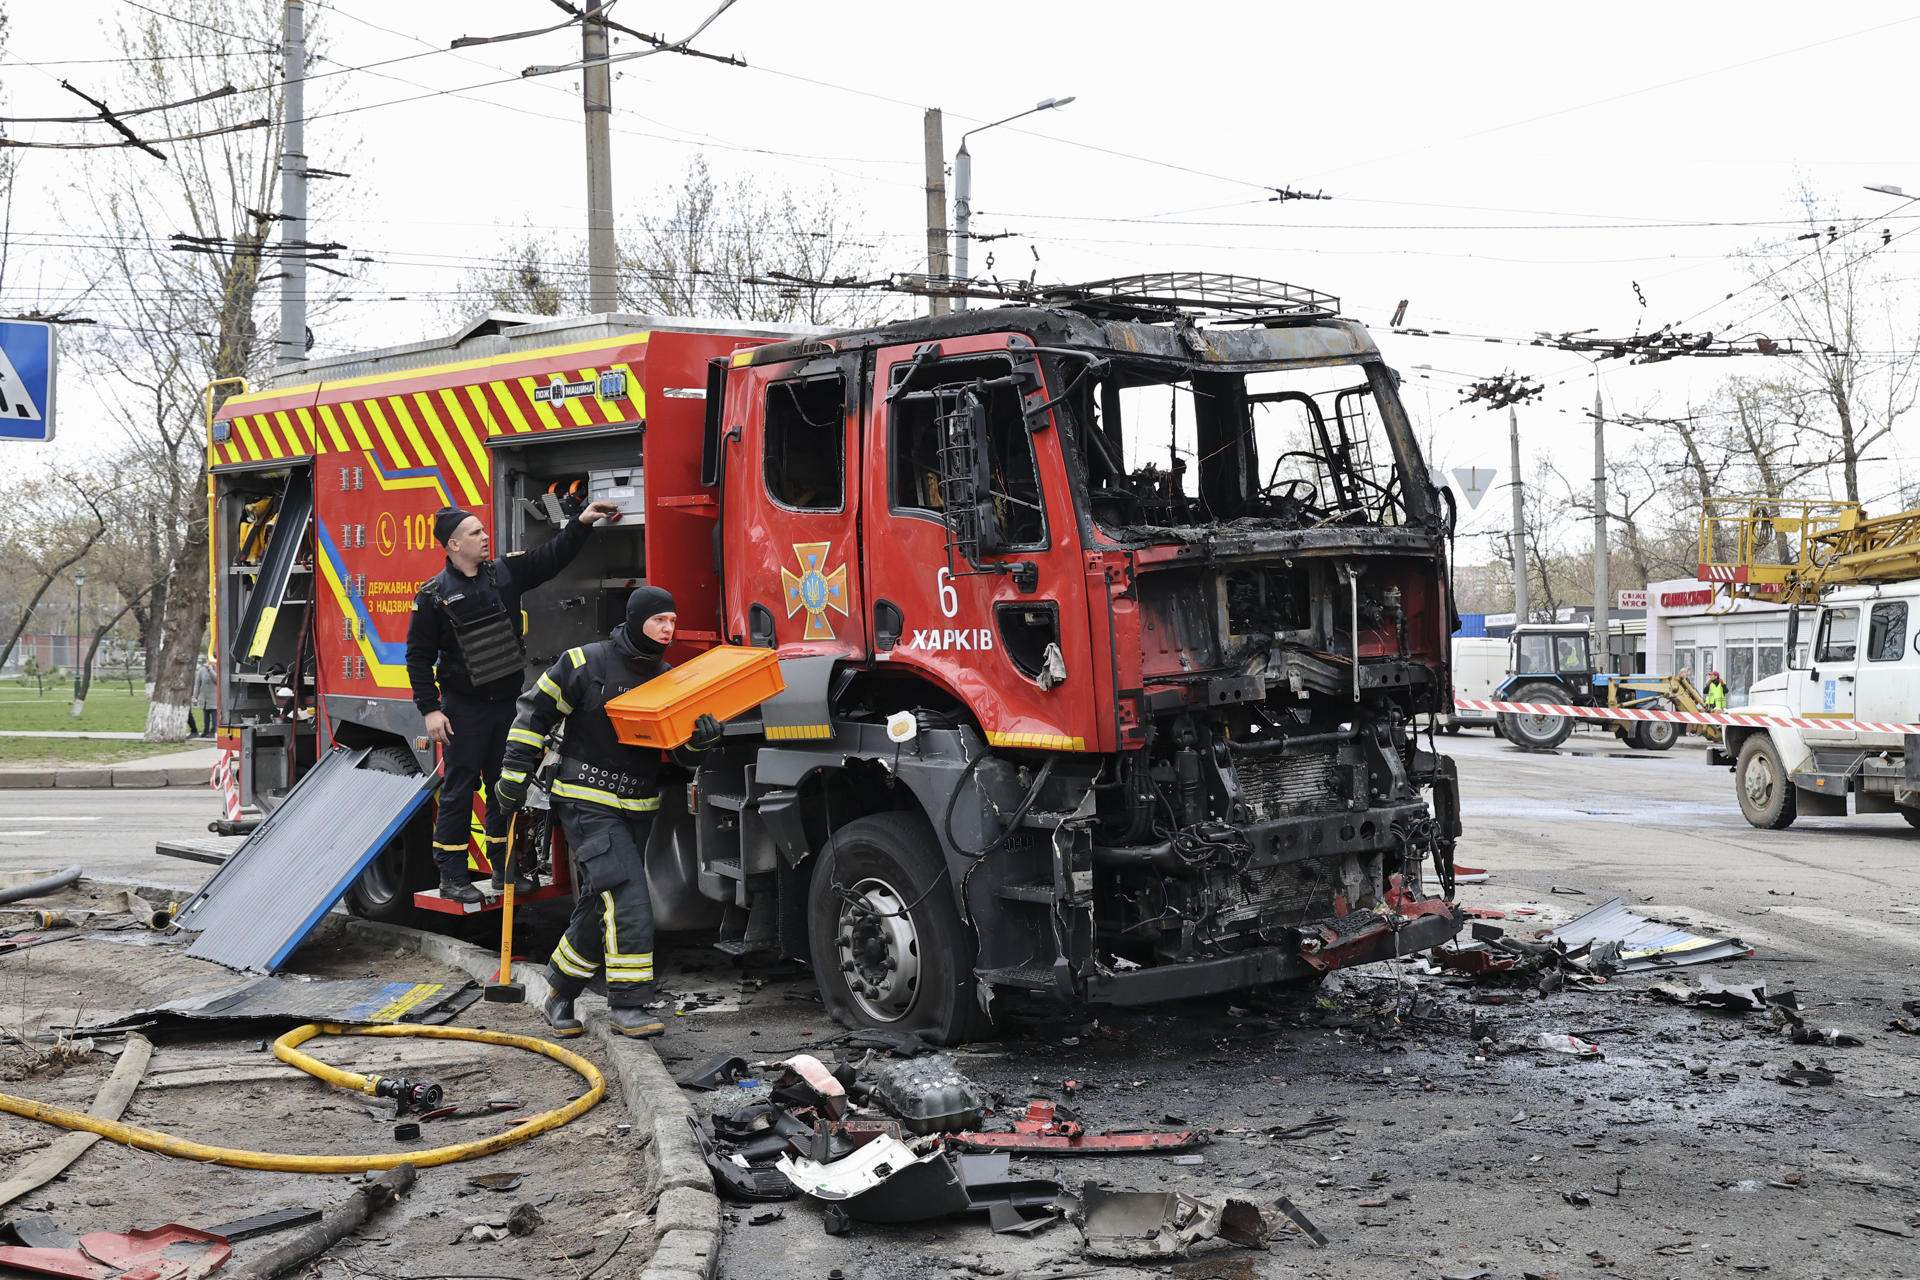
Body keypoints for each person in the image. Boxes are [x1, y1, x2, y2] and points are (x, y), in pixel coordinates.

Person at [494, 585, 722, 1038]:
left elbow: (679, 755)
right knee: (627, 897)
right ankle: (629, 1003)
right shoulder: (584, 663)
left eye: (673, 621)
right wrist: (514, 776)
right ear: (637, 619)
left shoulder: (669, 679)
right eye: (660, 620)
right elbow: (532, 715)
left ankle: (559, 990)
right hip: (585, 801)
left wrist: (700, 742)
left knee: (600, 907)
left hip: (638, 806)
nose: (669, 629)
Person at [406, 500, 622, 904]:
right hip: (463, 708)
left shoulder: (503, 574)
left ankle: (505, 868)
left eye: (483, 530)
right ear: (453, 544)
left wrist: (581, 524)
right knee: (458, 789)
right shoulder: (433, 597)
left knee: (507, 785)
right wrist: (430, 709)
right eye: (475, 533)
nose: (485, 537)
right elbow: (418, 656)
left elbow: (549, 559)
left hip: (507, 704)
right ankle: (452, 875)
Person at [189, 657, 217, 737]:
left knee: (214, 717)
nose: (210, 662)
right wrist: (195, 697)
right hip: (204, 698)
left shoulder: (217, 668)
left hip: (214, 698)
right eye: (209, 660)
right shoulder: (201, 670)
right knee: (206, 717)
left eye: (212, 660)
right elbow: (197, 685)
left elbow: (217, 680)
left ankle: (212, 732)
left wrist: (210, 670)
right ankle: (205, 732)